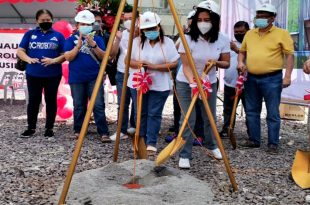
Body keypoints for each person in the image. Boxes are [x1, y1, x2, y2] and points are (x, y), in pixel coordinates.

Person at [176, 0, 230, 168]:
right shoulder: (187, 38)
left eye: (207, 20)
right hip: (187, 82)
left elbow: (226, 63)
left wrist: (216, 63)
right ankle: (184, 154)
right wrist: (194, 83)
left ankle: (212, 144)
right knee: (188, 118)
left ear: (215, 21)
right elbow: (185, 66)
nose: (203, 23)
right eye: (200, 19)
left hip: (210, 82)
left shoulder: (222, 39)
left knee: (209, 116)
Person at [237, 3, 294, 154]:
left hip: (272, 78)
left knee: (272, 112)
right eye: (258, 16)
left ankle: (273, 143)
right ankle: (254, 140)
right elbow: (242, 52)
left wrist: (287, 76)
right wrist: (240, 62)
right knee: (251, 111)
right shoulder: (250, 34)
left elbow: (289, 56)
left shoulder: (282, 33)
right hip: (251, 78)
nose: (260, 19)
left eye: (264, 16)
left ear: (273, 18)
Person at [128, 11, 179, 154]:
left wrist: (153, 66)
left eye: (153, 28)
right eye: (147, 29)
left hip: (160, 84)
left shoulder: (167, 42)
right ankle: (140, 140)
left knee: (154, 113)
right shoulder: (136, 42)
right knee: (140, 113)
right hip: (138, 82)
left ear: (158, 27)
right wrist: (140, 64)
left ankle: (151, 142)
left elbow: (174, 63)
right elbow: (128, 61)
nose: (150, 31)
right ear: (142, 30)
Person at [17, 9, 65, 138]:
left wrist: (54, 60)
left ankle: (49, 128)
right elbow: (20, 51)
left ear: (52, 20)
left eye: (48, 20)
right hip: (33, 74)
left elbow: (64, 55)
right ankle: (31, 128)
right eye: (43, 20)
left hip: (53, 75)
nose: (46, 22)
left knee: (51, 100)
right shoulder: (30, 34)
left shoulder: (58, 36)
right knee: (33, 101)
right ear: (37, 21)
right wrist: (28, 59)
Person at [64, 10, 110, 142]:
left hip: (94, 77)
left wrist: (94, 45)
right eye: (82, 24)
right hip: (76, 78)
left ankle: (103, 132)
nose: (85, 26)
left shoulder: (98, 39)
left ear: (92, 25)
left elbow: (104, 57)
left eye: (88, 24)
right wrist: (77, 47)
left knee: (98, 105)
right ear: (77, 25)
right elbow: (68, 57)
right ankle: (78, 130)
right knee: (79, 105)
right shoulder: (70, 40)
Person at [109, 7, 138, 141]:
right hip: (122, 72)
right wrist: (117, 39)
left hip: (137, 73)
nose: (128, 21)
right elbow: (112, 54)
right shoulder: (121, 34)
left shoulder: (142, 33)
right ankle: (122, 130)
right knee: (122, 103)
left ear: (138, 19)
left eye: (131, 19)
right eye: (125, 19)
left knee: (137, 103)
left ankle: (135, 127)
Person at [220, 21, 250, 138]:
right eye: (236, 32)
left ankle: (252, 133)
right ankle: (227, 129)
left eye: (241, 32)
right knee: (228, 108)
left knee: (250, 110)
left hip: (247, 85)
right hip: (230, 83)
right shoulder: (230, 44)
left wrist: (237, 49)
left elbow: (251, 56)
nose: (239, 34)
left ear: (247, 31)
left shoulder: (252, 43)